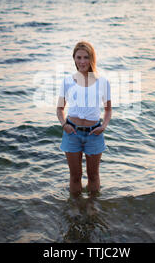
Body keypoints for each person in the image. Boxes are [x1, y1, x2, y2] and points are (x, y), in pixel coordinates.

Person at [56, 41, 112, 196]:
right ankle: (75, 209)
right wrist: (63, 124)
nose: (82, 61)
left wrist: (104, 126)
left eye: (86, 57)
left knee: (93, 176)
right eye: (79, 57)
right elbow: (59, 109)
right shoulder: (67, 81)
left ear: (92, 59)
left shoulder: (102, 82)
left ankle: (93, 210)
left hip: (94, 133)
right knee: (75, 176)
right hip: (72, 133)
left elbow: (108, 110)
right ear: (74, 58)